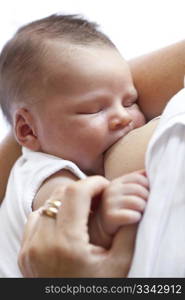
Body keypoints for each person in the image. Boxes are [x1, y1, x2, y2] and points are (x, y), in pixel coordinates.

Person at [1, 35, 185, 278]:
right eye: (95, 109)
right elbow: (65, 218)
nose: (124, 117)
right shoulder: (39, 170)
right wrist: (97, 224)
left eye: (130, 102)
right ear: (28, 129)